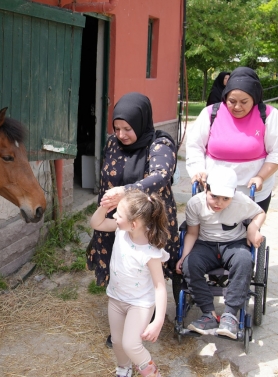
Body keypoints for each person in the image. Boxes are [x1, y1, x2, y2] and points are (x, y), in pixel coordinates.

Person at [86, 92, 180, 293]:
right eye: (116, 128)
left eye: (127, 129)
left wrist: (127, 191)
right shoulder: (113, 143)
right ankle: (124, 305)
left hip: (149, 221)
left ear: (141, 122)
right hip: (118, 217)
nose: (121, 135)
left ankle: (150, 312)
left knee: (148, 272)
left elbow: (160, 176)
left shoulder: (160, 144)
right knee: (121, 265)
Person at [176, 166, 265, 339]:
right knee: (189, 264)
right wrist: (184, 256)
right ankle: (208, 313)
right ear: (206, 189)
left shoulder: (241, 201)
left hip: (234, 243)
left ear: (234, 193)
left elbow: (260, 213)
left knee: (244, 260)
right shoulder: (196, 203)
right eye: (214, 196)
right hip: (205, 243)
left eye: (226, 198)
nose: (219, 203)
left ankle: (230, 314)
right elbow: (192, 233)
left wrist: (253, 227)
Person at [186, 67, 278, 213]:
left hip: (252, 189)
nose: (237, 107)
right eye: (232, 101)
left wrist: (261, 177)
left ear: (254, 98)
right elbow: (195, 145)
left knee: (248, 232)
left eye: (244, 101)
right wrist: (198, 170)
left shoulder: (268, 115)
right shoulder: (211, 113)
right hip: (215, 190)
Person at [90, 190, 169, 377]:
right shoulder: (121, 230)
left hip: (140, 304)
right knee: (117, 342)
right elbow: (96, 223)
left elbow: (160, 286)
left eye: (118, 213)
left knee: (131, 344)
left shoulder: (150, 252)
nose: (114, 216)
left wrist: (158, 321)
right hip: (116, 298)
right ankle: (124, 368)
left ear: (133, 224)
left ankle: (152, 372)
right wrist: (104, 206)